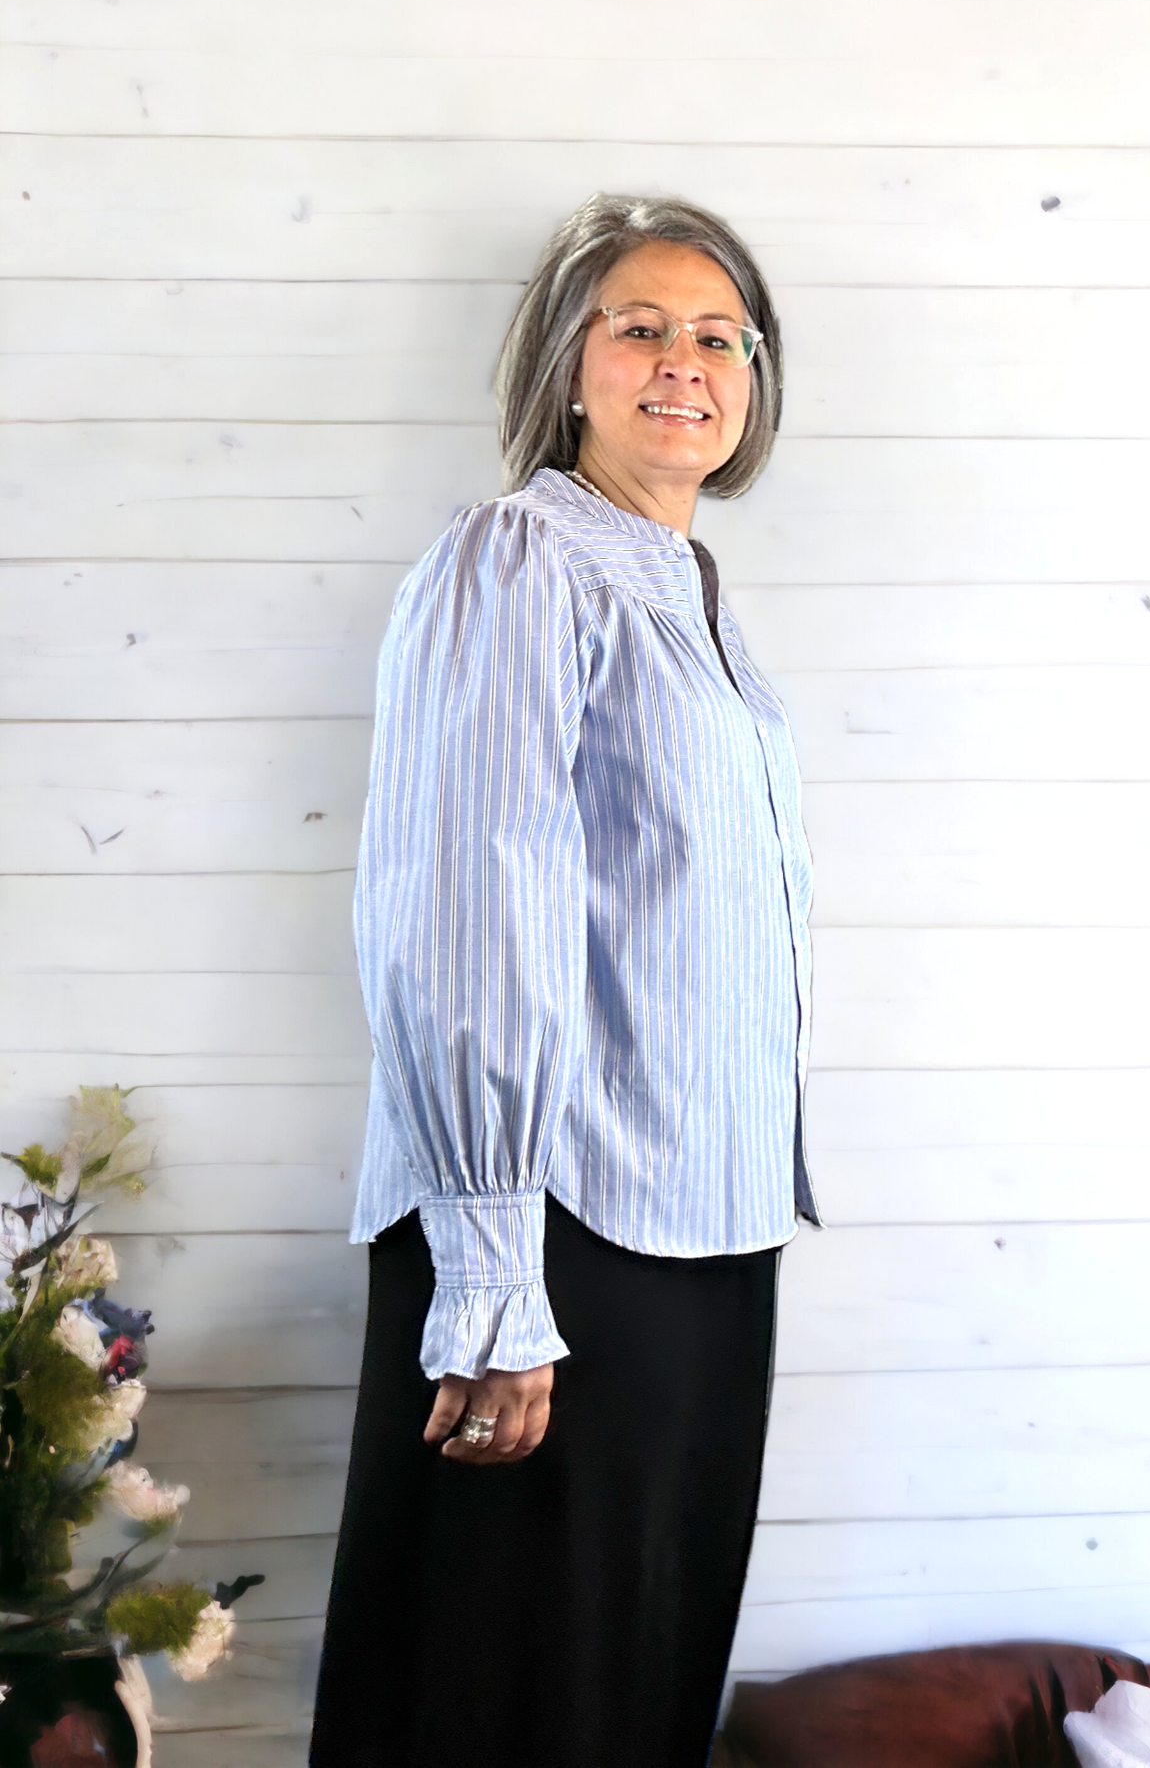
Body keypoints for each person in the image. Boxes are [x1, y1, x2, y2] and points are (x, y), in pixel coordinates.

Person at [310, 193, 819, 1768]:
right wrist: (492, 1275)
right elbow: (466, 910)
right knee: (511, 1700)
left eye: (720, 335)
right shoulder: (522, 560)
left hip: (704, 1224)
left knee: (631, 1694)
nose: (688, 360)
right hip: (563, 1236)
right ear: (570, 365)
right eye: (642, 326)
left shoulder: (698, 597)